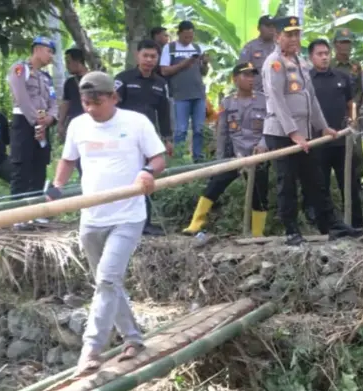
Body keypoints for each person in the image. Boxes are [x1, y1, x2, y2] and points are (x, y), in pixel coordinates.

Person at [49, 71, 166, 375]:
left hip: (127, 215)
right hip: (91, 217)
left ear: (114, 97)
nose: (90, 108)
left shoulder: (136, 123)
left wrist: (147, 172)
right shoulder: (78, 125)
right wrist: (56, 187)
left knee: (107, 279)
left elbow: (158, 158)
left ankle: (91, 349)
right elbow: (68, 160)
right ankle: (133, 338)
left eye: (96, 102)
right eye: (85, 102)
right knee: (107, 282)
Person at [263, 16, 363, 246]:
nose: (293, 39)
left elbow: (311, 98)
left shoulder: (300, 62)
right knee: (287, 181)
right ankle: (291, 230)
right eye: (288, 35)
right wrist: (292, 133)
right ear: (278, 36)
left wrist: (323, 125)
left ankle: (332, 226)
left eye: (296, 34)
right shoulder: (274, 63)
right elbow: (277, 101)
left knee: (315, 180)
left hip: (305, 131)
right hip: (281, 133)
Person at [182, 63, 270, 236]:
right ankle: (195, 224)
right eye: (246, 75)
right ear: (235, 79)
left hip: (258, 154)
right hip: (234, 155)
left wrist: (264, 145)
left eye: (252, 75)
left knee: (259, 193)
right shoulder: (227, 102)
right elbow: (222, 132)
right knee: (215, 185)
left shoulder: (264, 100)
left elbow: (270, 127)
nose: (250, 79)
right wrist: (220, 159)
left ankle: (257, 234)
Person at [116, 39, 173, 236]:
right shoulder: (123, 79)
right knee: (125, 176)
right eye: (145, 56)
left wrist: (167, 138)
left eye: (153, 57)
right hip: (123, 137)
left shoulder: (160, 84)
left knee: (146, 176)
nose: (149, 60)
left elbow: (164, 113)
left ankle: (145, 222)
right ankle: (122, 220)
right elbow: (112, 108)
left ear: (158, 59)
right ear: (137, 56)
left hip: (148, 138)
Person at [308, 39, 363, 230]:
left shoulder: (341, 77)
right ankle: (326, 228)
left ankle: (357, 224)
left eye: (326, 53)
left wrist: (352, 120)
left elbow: (351, 104)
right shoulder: (307, 80)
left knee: (349, 184)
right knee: (320, 187)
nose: (324, 57)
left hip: (341, 141)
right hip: (317, 142)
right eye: (319, 54)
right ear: (311, 57)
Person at [7, 36, 58, 229]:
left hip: (44, 124)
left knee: (39, 167)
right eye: (48, 51)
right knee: (22, 168)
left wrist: (50, 119)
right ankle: (17, 216)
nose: (50, 56)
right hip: (24, 123)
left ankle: (37, 213)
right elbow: (21, 96)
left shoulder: (47, 77)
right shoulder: (20, 69)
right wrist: (36, 120)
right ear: (37, 49)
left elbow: (53, 101)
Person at [160, 20, 209, 162]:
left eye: (191, 37)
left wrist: (204, 63)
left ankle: (198, 158)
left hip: (198, 94)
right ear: (179, 34)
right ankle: (178, 160)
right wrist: (185, 63)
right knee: (181, 130)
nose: (189, 40)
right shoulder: (170, 48)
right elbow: (164, 70)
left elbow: (203, 73)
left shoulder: (197, 48)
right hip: (180, 95)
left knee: (199, 129)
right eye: (186, 37)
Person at [332, 28, 363, 190]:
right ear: (335, 45)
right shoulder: (330, 65)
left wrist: (354, 105)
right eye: (342, 43)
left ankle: (357, 182)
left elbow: (360, 89)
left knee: (357, 152)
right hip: (333, 113)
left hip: (352, 113)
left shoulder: (355, 66)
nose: (345, 46)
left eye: (348, 43)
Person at [238, 15, 276, 93]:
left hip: (277, 94)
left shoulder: (281, 47)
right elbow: (242, 69)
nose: (271, 29)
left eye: (273, 26)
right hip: (257, 93)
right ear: (259, 28)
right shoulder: (250, 47)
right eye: (268, 26)